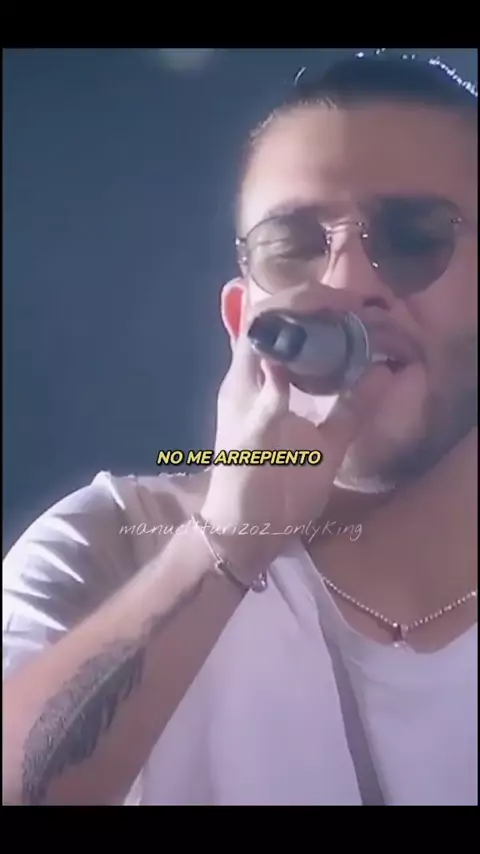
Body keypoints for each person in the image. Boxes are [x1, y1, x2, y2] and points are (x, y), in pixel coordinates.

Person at [3, 53, 477, 807]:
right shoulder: (108, 546)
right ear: (241, 318)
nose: (348, 282)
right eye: (294, 246)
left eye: (415, 237)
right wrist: (228, 540)